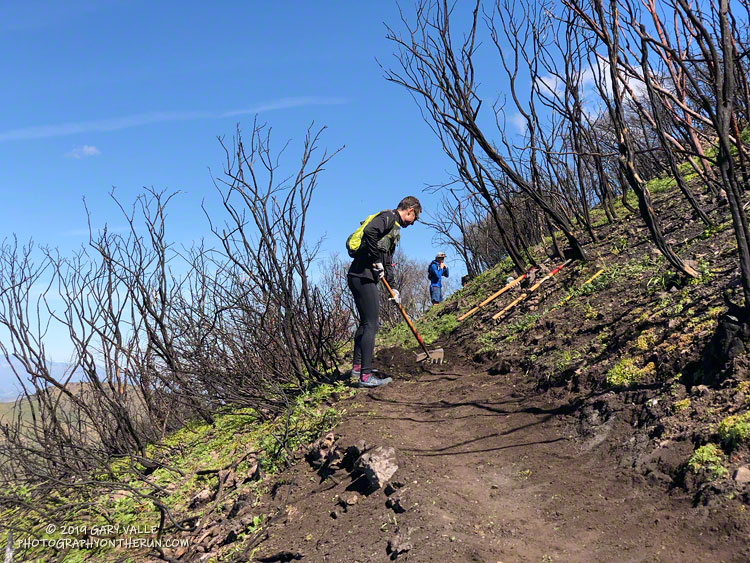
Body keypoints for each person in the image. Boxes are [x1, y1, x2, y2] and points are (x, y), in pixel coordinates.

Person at [347, 196, 421, 388]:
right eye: (415, 218)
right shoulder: (388, 217)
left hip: (361, 276)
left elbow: (387, 261)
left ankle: (357, 367)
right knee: (372, 324)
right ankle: (365, 376)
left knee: (365, 323)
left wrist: (394, 287)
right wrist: (375, 260)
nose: (412, 224)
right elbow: (370, 231)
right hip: (362, 276)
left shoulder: (393, 230)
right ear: (410, 210)